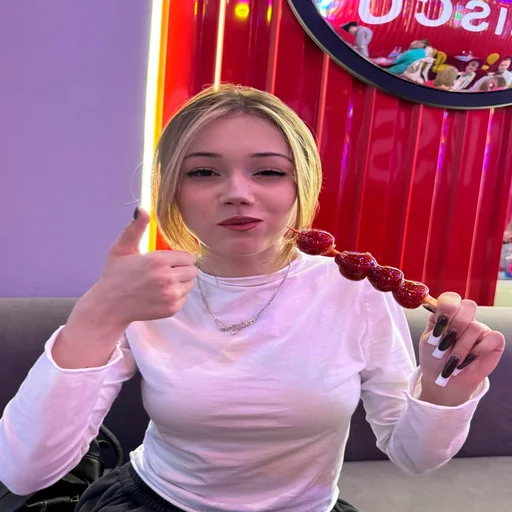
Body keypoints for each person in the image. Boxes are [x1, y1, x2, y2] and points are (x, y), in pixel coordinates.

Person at [0, 84, 505, 512]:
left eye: (268, 171)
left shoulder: (356, 293)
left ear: (300, 185)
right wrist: (98, 314)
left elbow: (415, 457)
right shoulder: (147, 292)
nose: (238, 192)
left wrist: (442, 391)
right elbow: (24, 472)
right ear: (172, 189)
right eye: (203, 172)